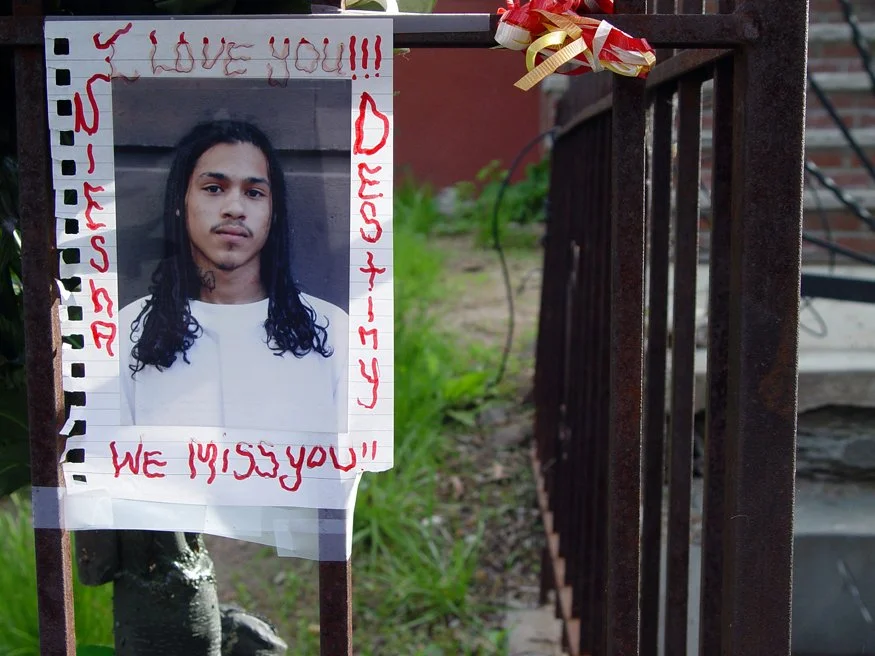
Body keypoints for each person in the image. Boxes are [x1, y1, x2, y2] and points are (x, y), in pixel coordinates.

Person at [119, 120, 348, 434]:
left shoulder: (334, 332)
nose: (235, 208)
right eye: (214, 188)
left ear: (273, 212)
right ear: (180, 202)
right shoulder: (127, 331)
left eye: (254, 193)